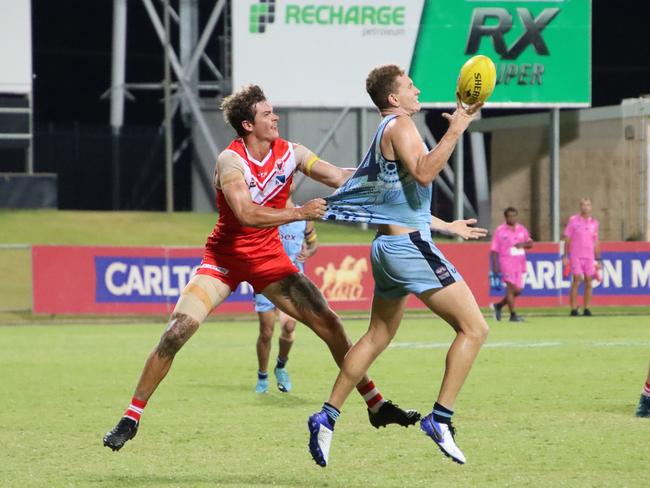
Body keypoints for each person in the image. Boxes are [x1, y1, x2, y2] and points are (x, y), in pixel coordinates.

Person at [102, 84, 419, 452]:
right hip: (225, 260)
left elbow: (336, 176)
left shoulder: (291, 153)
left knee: (330, 324)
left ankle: (375, 404)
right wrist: (299, 212)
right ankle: (131, 417)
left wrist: (387, 175)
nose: (276, 118)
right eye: (267, 114)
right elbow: (247, 214)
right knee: (177, 331)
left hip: (270, 262)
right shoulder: (230, 161)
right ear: (248, 125)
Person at [307, 64, 488, 467]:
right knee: (474, 329)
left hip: (387, 248)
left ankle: (327, 416)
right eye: (409, 86)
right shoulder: (402, 126)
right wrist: (457, 128)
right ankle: (440, 420)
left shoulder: (383, 132)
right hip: (408, 249)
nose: (417, 89)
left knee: (375, 336)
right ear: (393, 98)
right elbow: (425, 174)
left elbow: (399, 201)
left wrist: (448, 225)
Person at [254, 198, 319, 394]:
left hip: (292, 280)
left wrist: (309, 252)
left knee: (289, 326)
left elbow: (313, 244)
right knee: (266, 331)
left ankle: (281, 367)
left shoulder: (304, 214)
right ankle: (262, 376)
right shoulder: (267, 212)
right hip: (266, 277)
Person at [490, 207, 533, 322]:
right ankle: (513, 315)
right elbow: (494, 249)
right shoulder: (500, 230)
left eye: (514, 216)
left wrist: (522, 244)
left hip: (520, 263)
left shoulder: (521, 229)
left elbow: (530, 244)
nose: (512, 218)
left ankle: (498, 305)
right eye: (509, 216)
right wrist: (495, 266)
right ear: (505, 217)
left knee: (518, 290)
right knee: (510, 288)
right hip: (506, 262)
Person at [563, 198, 601, 316]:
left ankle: (587, 308)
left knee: (589, 281)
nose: (586, 207)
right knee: (576, 280)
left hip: (589, 256)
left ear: (591, 207)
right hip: (576, 255)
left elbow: (596, 241)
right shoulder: (573, 221)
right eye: (583, 205)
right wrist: (565, 256)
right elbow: (567, 239)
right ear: (580, 207)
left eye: (588, 205)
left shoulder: (594, 223)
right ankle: (574, 308)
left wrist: (598, 258)